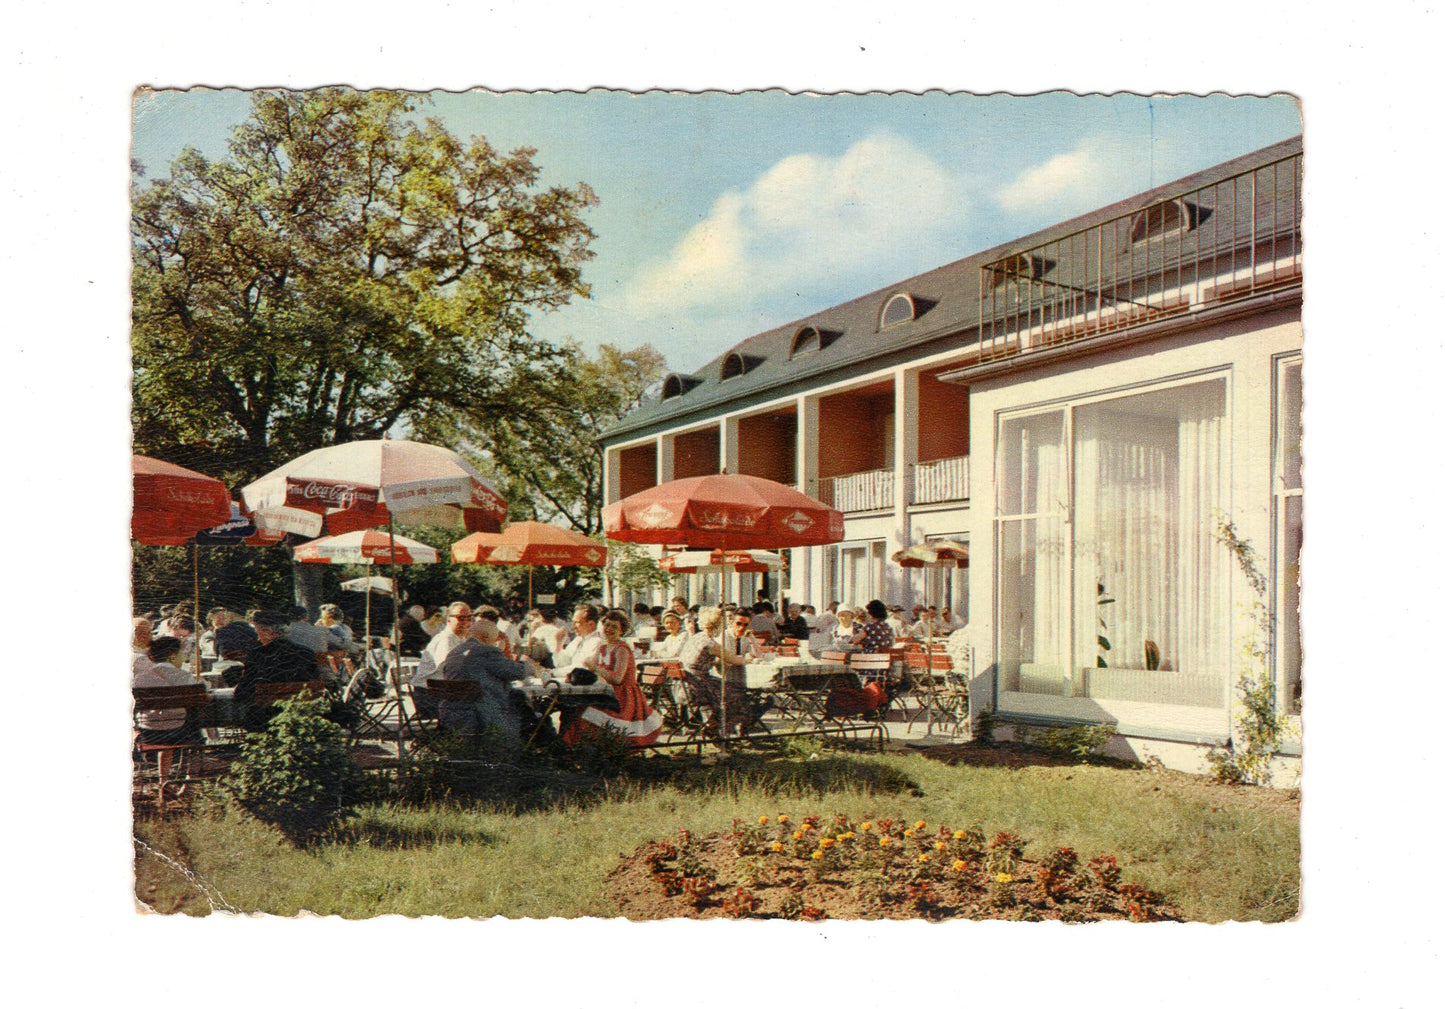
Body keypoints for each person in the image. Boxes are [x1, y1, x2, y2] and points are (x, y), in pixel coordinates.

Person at [562, 610, 662, 748]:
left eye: (614, 627)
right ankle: (573, 748)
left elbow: (617, 679)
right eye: (607, 625)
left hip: (623, 698)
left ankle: (589, 749)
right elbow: (591, 667)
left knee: (585, 713)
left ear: (621, 631)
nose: (609, 629)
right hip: (607, 694)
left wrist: (595, 667)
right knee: (574, 709)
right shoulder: (602, 646)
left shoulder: (622, 649)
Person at [434, 619, 539, 750]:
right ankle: (529, 753)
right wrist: (528, 664)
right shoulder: (487, 651)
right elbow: (516, 672)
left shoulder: (454, 652)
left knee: (519, 699)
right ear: (487, 637)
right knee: (525, 707)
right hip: (481, 712)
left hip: (451, 712)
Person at [229, 611, 320, 731]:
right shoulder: (306, 652)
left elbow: (244, 690)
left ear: (269, 633)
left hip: (267, 718)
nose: (258, 636)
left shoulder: (257, 655)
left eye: (259, 632)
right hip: (302, 712)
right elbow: (314, 681)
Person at [679, 606, 755, 736]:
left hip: (684, 686)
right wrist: (748, 658)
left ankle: (713, 724)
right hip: (699, 687)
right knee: (739, 695)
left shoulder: (696, 638)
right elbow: (735, 660)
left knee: (730, 691)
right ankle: (718, 728)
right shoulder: (710, 644)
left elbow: (696, 660)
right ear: (718, 626)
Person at [132, 636, 202, 746]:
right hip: (179, 731)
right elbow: (202, 694)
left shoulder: (140, 678)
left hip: (148, 731)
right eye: (181, 654)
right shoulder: (184, 676)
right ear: (173, 657)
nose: (183, 658)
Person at [413, 602, 473, 693]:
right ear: (448, 619)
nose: (466, 622)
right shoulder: (446, 639)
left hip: (440, 688)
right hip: (429, 691)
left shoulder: (461, 638)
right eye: (460, 618)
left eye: (469, 618)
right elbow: (450, 667)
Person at [554, 603, 605, 673]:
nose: (573, 626)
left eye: (577, 622)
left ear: (591, 624)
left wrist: (554, 673)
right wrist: (559, 643)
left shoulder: (597, 642)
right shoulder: (578, 640)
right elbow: (561, 663)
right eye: (573, 622)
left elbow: (582, 669)